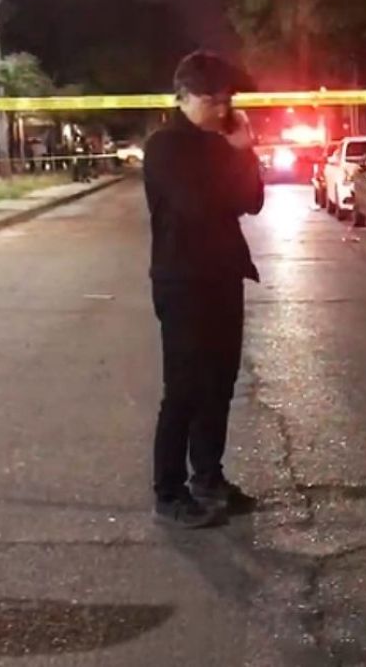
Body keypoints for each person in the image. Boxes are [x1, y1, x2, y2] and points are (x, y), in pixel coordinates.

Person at [143, 51, 264, 528]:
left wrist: (245, 151)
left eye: (228, 100)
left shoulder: (222, 143)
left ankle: (208, 477)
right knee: (185, 388)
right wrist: (232, 157)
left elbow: (251, 200)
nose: (223, 109)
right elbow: (198, 205)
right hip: (182, 280)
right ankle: (169, 490)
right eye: (214, 100)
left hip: (223, 276)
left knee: (220, 383)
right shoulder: (165, 146)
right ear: (186, 96)